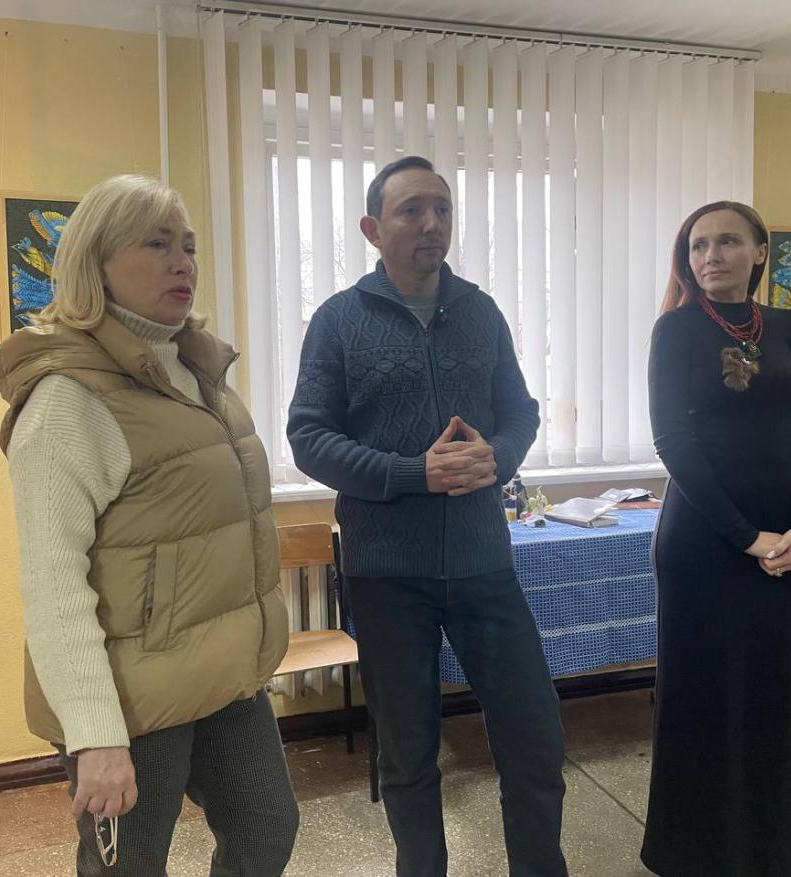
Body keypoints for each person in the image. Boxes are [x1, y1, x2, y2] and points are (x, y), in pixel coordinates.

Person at [0, 174, 298, 876]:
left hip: (224, 671)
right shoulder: (66, 399)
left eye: (188, 246)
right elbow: (53, 587)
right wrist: (95, 735)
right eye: (156, 245)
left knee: (266, 826)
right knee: (128, 866)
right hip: (133, 693)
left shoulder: (196, 372)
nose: (183, 262)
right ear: (95, 263)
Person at [287, 155, 567, 877]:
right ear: (373, 229)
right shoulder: (338, 320)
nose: (431, 222)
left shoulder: (480, 310)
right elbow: (308, 437)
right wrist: (416, 473)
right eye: (412, 209)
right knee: (408, 753)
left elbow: (520, 411)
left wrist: (499, 456)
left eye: (441, 208)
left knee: (535, 738)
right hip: (386, 572)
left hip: (483, 562)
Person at [642, 201, 791, 877]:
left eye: (726, 241)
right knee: (700, 696)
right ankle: (689, 854)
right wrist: (747, 536)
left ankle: (769, 851)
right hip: (703, 540)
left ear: (759, 252)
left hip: (785, 544)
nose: (710, 256)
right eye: (698, 245)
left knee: (773, 696)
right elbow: (673, 441)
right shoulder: (676, 330)